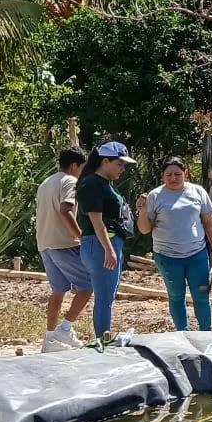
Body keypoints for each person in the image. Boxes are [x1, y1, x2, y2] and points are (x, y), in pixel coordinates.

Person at [137, 157, 212, 332]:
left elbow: (209, 221)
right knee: (176, 295)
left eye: (177, 174)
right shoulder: (155, 196)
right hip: (167, 256)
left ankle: (207, 333)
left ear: (186, 173)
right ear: (162, 176)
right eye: (168, 175)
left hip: (197, 254)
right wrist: (143, 211)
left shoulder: (197, 192)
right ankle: (183, 333)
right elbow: (144, 229)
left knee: (202, 295)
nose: (173, 178)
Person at [76, 141, 137, 340]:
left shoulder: (105, 184)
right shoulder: (92, 183)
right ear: (105, 161)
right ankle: (102, 339)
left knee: (107, 296)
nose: (123, 169)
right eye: (119, 164)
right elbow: (96, 220)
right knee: (104, 298)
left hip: (106, 243)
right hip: (100, 245)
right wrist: (109, 250)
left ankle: (104, 335)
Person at [35, 146, 91, 352]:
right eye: (82, 167)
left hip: (45, 243)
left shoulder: (46, 183)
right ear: (75, 165)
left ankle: (49, 338)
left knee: (58, 291)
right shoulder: (70, 181)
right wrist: (81, 236)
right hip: (64, 243)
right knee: (88, 284)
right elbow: (65, 209)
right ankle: (65, 328)